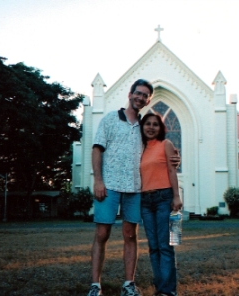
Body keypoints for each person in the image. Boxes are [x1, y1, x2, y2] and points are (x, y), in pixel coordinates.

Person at [88, 79, 179, 296]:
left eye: (144, 95)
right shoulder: (110, 119)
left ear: (148, 100)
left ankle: (129, 284)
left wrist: (176, 157)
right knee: (102, 234)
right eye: (137, 93)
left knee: (131, 236)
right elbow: (97, 149)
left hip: (135, 190)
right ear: (130, 94)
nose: (140, 97)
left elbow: (159, 149)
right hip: (108, 187)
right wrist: (98, 180)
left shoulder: (143, 126)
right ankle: (95, 285)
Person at [139, 113, 182, 296]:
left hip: (164, 198)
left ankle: (167, 291)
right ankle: (160, 288)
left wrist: (176, 196)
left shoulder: (166, 145)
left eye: (155, 124)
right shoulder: (140, 148)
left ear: (160, 128)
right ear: (142, 127)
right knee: (153, 247)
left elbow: (172, 170)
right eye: (147, 124)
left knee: (165, 246)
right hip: (145, 201)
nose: (151, 127)